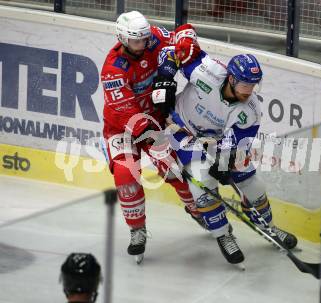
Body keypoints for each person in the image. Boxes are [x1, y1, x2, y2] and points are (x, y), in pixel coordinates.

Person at [157, 45, 298, 264]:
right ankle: (223, 235)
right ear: (231, 79)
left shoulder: (250, 110)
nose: (248, 91)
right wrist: (165, 76)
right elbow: (174, 52)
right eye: (244, 84)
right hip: (181, 129)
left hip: (217, 139)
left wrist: (225, 162)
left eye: (253, 85)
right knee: (202, 183)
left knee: (252, 184)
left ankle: (268, 228)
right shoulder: (206, 71)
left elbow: (240, 145)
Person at [100, 11, 201, 263]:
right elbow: (124, 110)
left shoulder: (152, 37)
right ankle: (137, 230)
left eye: (145, 39)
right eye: (137, 41)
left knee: (174, 170)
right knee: (125, 176)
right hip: (122, 127)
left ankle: (198, 209)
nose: (143, 44)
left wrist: (186, 39)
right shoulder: (112, 69)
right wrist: (148, 128)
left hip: (153, 121)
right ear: (123, 39)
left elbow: (181, 38)